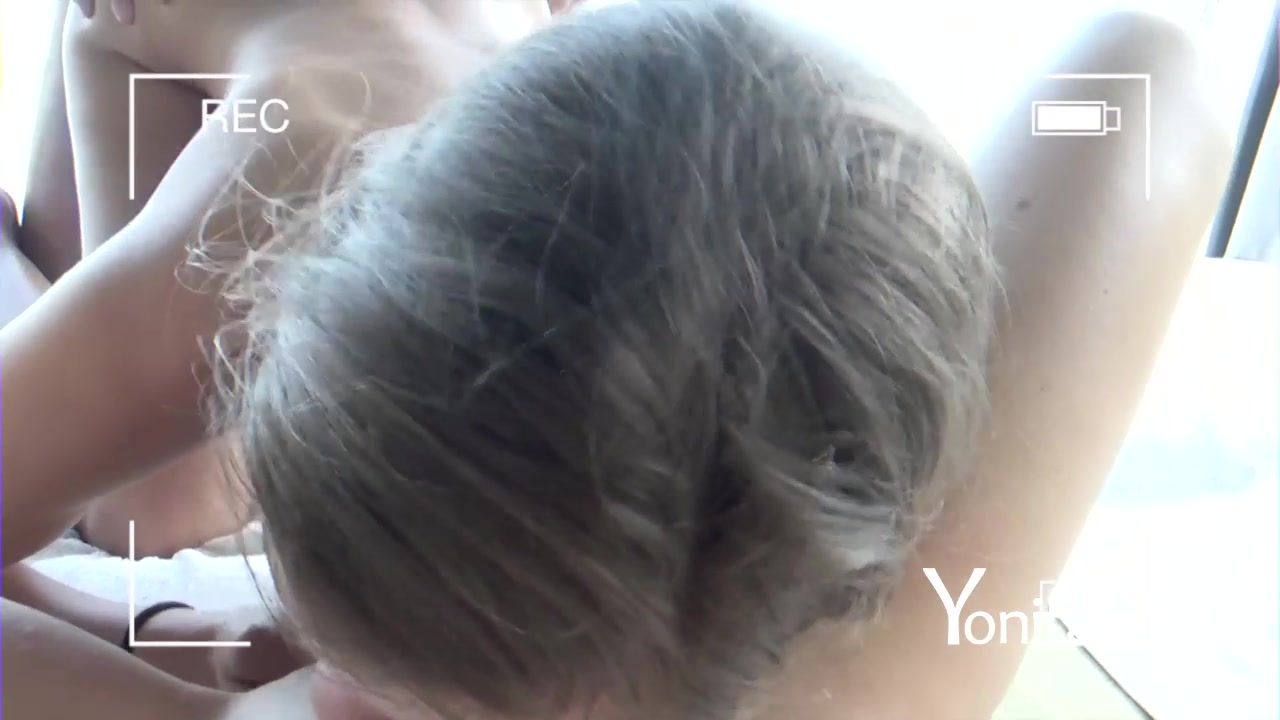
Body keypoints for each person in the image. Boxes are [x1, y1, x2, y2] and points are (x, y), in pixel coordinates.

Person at [1, 2, 1232, 720]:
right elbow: (1143, 74)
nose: (329, 703)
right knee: (148, 503)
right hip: (197, 68)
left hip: (443, 117)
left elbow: (1153, 69)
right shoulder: (213, 279)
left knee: (151, 524)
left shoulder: (850, 633)